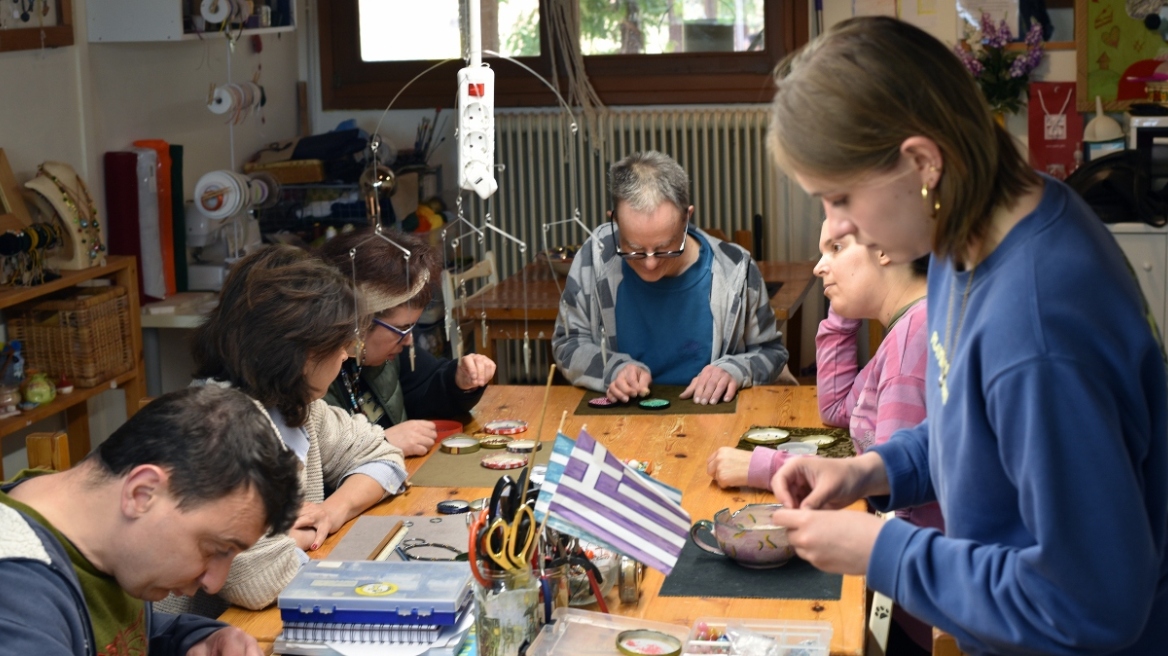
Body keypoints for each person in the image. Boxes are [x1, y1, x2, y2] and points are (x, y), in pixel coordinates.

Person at [766, 16, 1167, 655]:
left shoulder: (1037, 328)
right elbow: (978, 428)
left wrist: (883, 549)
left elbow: (1090, 604)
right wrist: (873, 470)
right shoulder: (965, 237)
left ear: (922, 163)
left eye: (841, 197)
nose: (839, 227)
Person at [708, 220, 939, 653]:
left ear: (885, 247)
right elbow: (838, 410)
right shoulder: (907, 324)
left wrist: (766, 467)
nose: (818, 267)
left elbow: (897, 490)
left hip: (913, 615)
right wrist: (843, 309)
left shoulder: (913, 342)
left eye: (835, 248)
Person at [157, 245, 407, 617]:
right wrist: (296, 538)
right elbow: (255, 580)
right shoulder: (219, 428)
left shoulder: (299, 408)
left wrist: (330, 512)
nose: (347, 354)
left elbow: (383, 455)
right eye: (339, 343)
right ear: (301, 351)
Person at [0, 385, 303, 656]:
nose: (214, 582)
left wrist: (195, 639)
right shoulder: (15, 595)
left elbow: (120, 634)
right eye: (213, 549)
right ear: (142, 492)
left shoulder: (98, 539)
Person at [552, 150, 791, 405]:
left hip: (712, 421)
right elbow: (568, 343)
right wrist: (612, 369)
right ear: (615, 222)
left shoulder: (735, 270)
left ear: (687, 217)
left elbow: (771, 353)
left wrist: (735, 370)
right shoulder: (597, 256)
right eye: (634, 249)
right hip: (620, 421)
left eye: (666, 247)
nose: (651, 264)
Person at [317, 229, 495, 457]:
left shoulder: (388, 356)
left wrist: (459, 380)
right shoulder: (315, 379)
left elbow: (427, 389)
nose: (409, 339)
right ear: (357, 323)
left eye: (411, 327)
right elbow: (318, 469)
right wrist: (383, 442)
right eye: (400, 329)